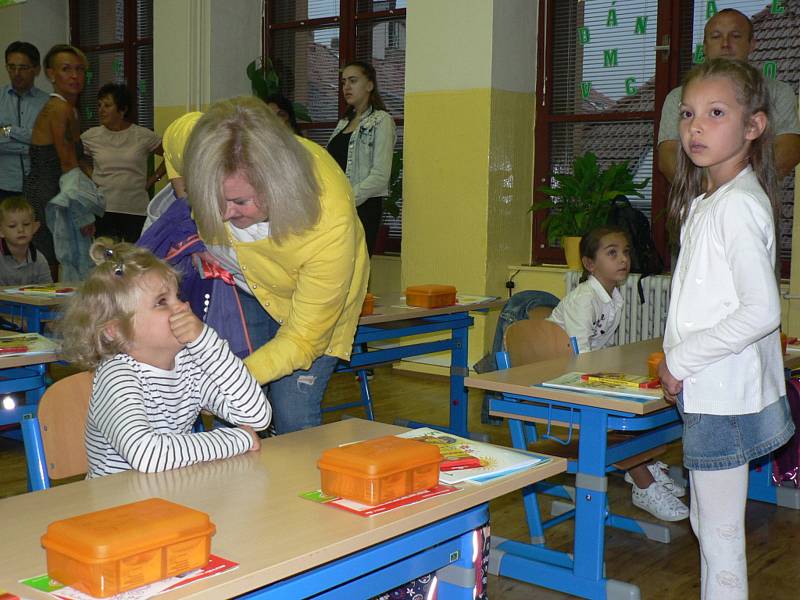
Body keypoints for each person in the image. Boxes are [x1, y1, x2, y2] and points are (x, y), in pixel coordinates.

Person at [659, 58, 795, 599]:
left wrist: (680, 362)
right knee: (707, 526)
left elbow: (761, 311)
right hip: (711, 391)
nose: (696, 126)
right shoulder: (713, 200)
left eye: (716, 113)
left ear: (754, 125)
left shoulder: (737, 206)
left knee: (718, 537)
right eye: (690, 114)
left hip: (723, 396)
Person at [184, 96, 369, 435]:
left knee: (291, 412)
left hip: (311, 312)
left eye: (240, 202)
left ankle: (294, 486)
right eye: (214, 200)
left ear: (277, 188)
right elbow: (174, 142)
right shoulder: (207, 150)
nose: (224, 215)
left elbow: (302, 338)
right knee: (233, 414)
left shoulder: (328, 221)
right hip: (243, 290)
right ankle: (240, 487)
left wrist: (231, 377)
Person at [58, 238, 271, 478]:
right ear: (115, 331)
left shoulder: (188, 364)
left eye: (177, 296)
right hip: (117, 506)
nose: (183, 306)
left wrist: (206, 342)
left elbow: (256, 415)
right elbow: (146, 455)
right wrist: (236, 439)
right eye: (162, 302)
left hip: (169, 492)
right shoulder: (117, 376)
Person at [547, 227, 689, 522]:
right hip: (558, 381)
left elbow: (601, 349)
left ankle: (644, 463)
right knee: (619, 413)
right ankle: (642, 480)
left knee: (646, 398)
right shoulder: (583, 298)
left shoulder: (614, 296)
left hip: (582, 375)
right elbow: (579, 356)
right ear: (589, 264)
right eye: (612, 253)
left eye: (625, 252)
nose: (622, 259)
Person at [658, 8, 800, 184]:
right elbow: (667, 155)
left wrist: (740, 185)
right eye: (716, 36)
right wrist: (708, 189)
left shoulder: (777, 92)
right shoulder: (678, 97)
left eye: (736, 36)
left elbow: (790, 146)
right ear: (705, 46)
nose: (725, 44)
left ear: (752, 44)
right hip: (697, 200)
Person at [25, 44, 97, 270]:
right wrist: (83, 213)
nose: (74, 76)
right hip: (48, 196)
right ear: (50, 74)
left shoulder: (66, 108)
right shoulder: (59, 109)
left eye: (79, 70)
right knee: (53, 264)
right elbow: (68, 165)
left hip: (55, 192)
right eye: (66, 69)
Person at [326, 61, 396, 256]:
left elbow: (381, 176)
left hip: (363, 209)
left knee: (355, 269)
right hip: (336, 209)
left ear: (369, 85)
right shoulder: (343, 123)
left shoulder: (382, 121)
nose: (346, 87)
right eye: (343, 82)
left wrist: (347, 198)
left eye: (353, 81)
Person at [81, 82, 165, 242]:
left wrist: (154, 179)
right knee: (106, 258)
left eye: (107, 105)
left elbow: (170, 156)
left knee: (133, 259)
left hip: (135, 209)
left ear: (123, 109)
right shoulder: (91, 136)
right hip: (103, 209)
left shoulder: (142, 135)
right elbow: (75, 157)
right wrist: (92, 175)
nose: (101, 110)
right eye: (99, 105)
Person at [0, 42, 48, 199]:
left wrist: (8, 130)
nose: (16, 73)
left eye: (23, 68)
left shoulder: (47, 102)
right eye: (11, 67)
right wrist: (30, 146)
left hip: (38, 186)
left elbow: (45, 141)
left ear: (36, 69)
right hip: (3, 185)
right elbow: (36, 140)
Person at [0, 196, 52, 285]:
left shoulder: (40, 260)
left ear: (35, 227)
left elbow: (48, 292)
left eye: (26, 224)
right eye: (12, 226)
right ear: (1, 231)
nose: (21, 229)